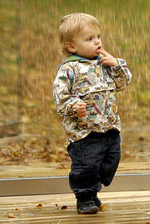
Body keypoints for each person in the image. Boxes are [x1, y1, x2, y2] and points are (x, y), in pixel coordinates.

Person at [53, 13, 132, 214]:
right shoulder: (68, 69)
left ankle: (93, 185)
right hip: (84, 131)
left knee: (111, 159)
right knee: (86, 166)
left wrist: (116, 65)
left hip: (109, 126)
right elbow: (61, 96)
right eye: (89, 39)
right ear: (72, 46)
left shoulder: (106, 63)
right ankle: (85, 198)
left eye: (98, 36)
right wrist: (74, 105)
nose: (97, 42)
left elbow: (123, 83)